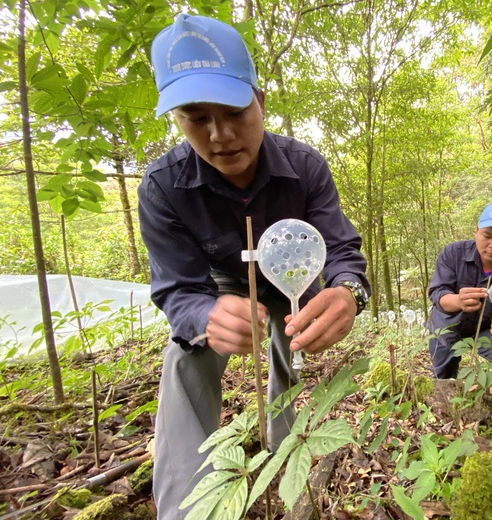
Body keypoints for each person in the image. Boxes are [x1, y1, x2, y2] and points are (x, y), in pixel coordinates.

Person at [137, 14, 370, 519]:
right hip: (220, 285)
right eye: (197, 117)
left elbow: (344, 251)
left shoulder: (305, 168)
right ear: (177, 119)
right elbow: (177, 291)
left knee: (294, 343)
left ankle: (288, 470)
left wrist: (350, 293)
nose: (219, 135)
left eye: (234, 111)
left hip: (295, 281)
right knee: (184, 357)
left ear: (260, 102)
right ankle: (184, 507)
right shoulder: (162, 188)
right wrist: (204, 318)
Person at [427, 200, 492, 416]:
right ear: (476, 231)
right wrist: (457, 301)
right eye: (487, 236)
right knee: (442, 371)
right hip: (448, 321)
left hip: (488, 329)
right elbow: (437, 293)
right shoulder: (453, 254)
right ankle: (441, 412)